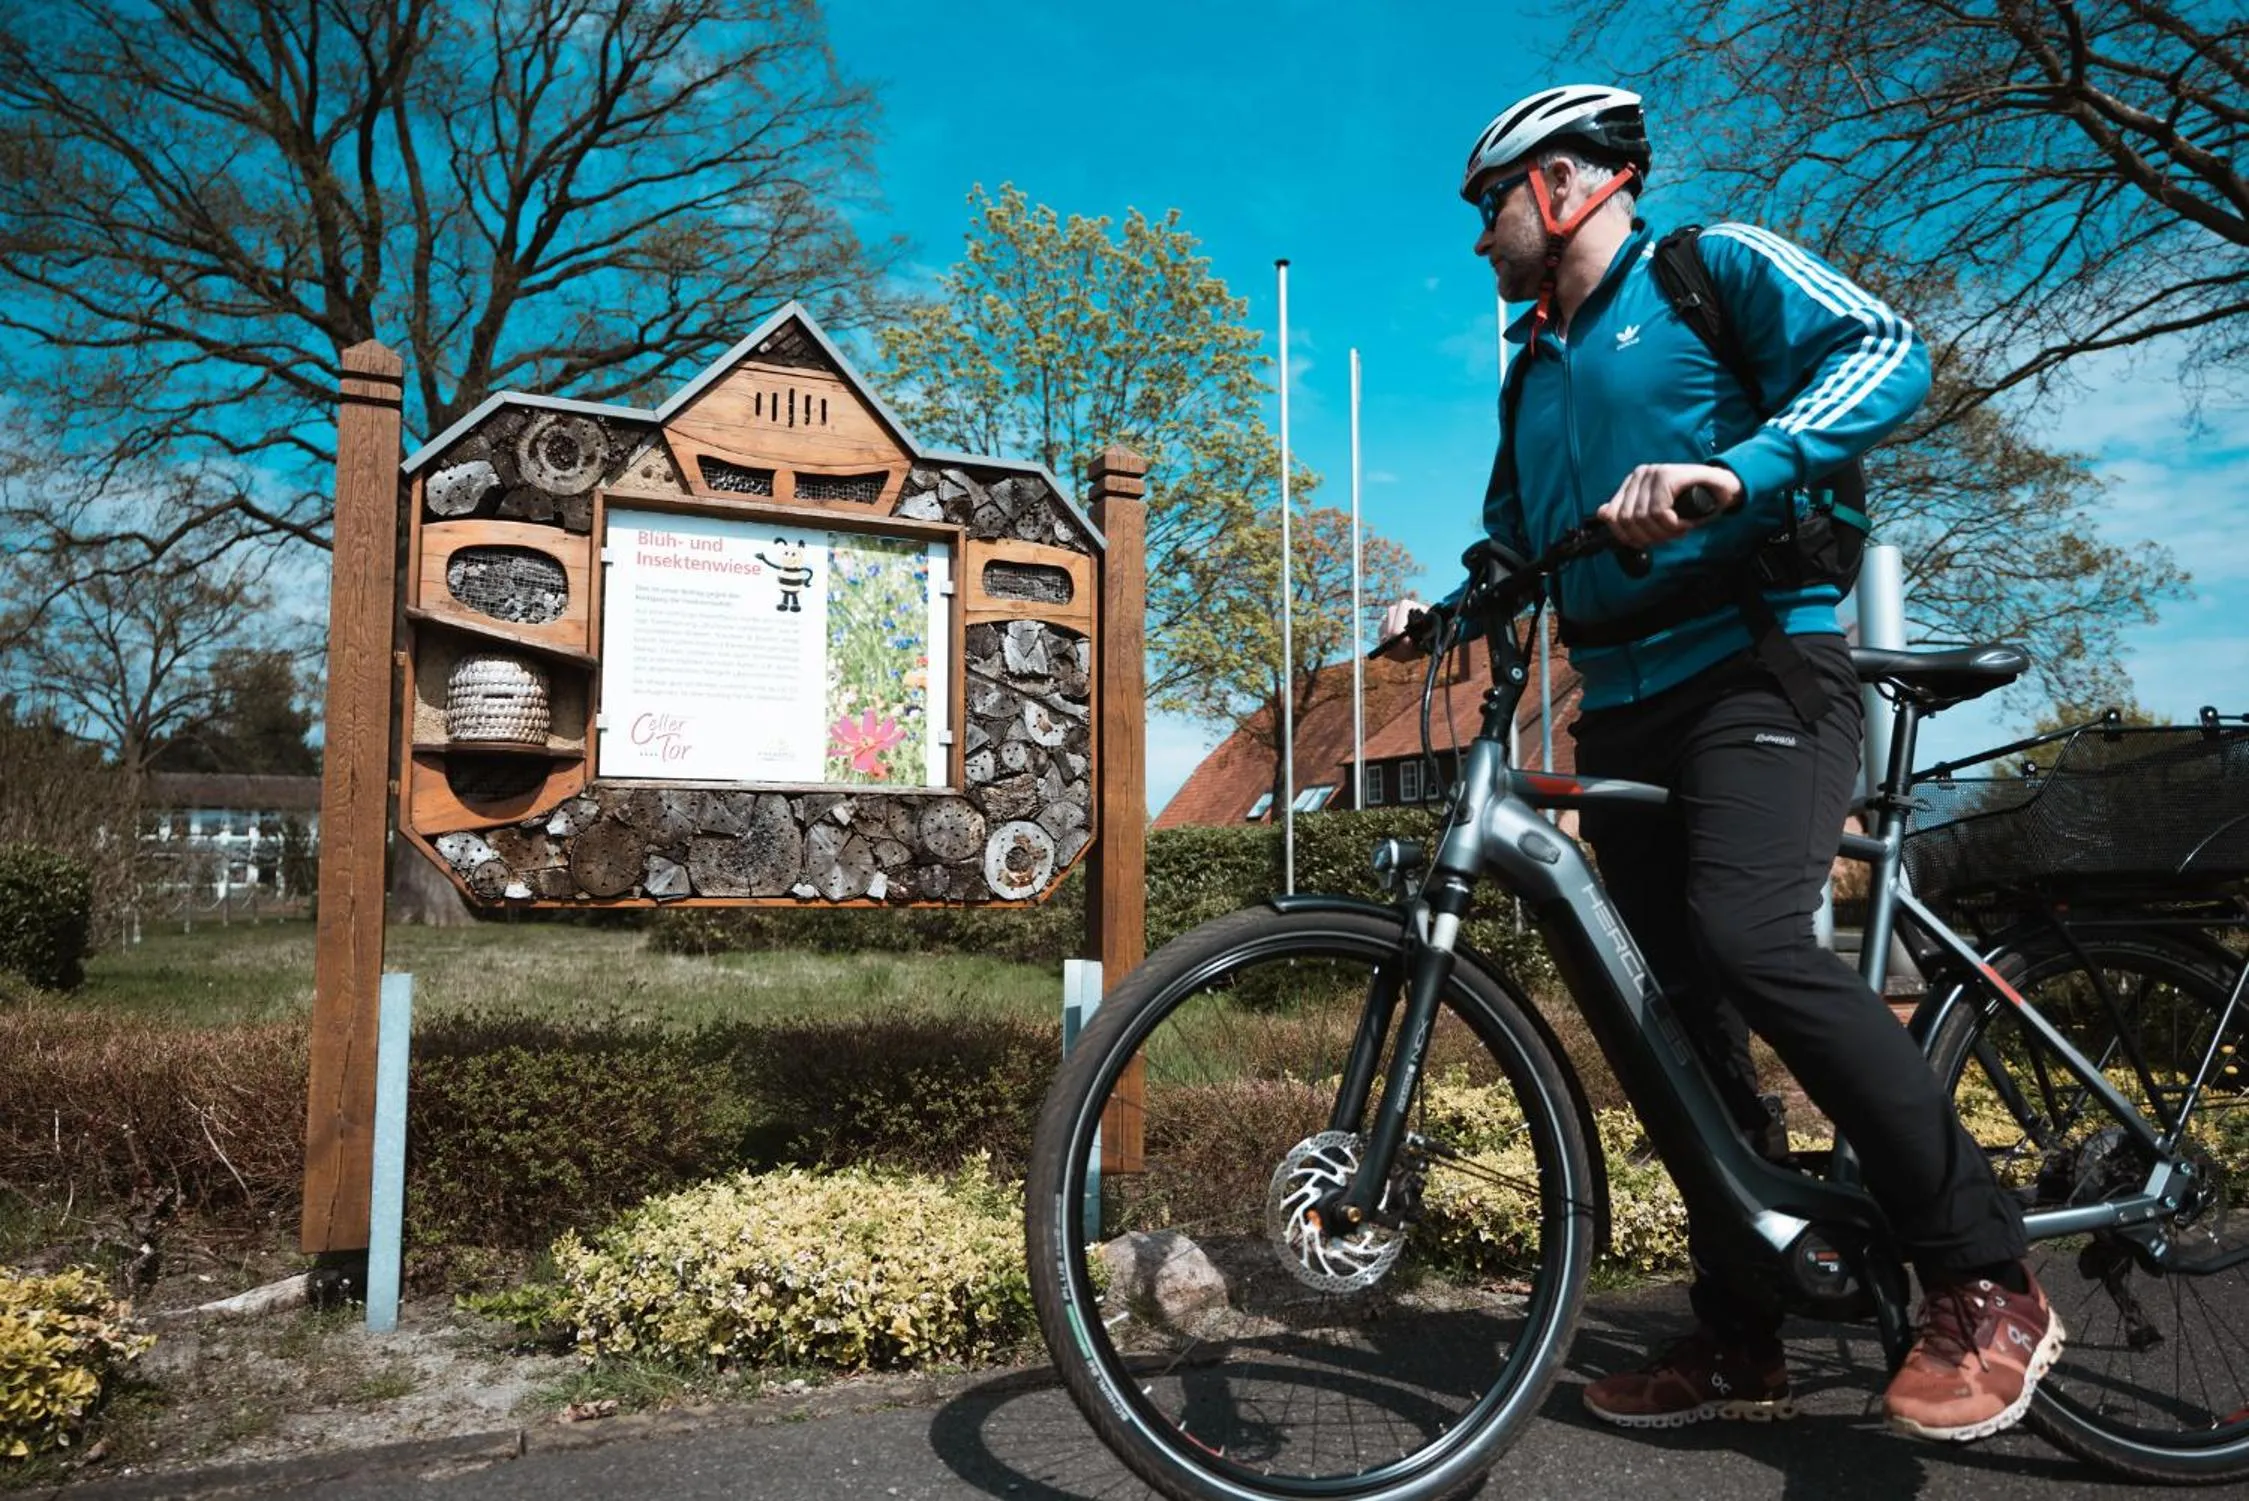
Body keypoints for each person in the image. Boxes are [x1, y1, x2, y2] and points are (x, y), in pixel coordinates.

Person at [1382, 83, 2061, 1442]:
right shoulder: (1537, 367)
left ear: (1567, 182)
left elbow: (1888, 349)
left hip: (1762, 666)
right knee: (1670, 1018)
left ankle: (1987, 1281)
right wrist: (1451, 602)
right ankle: (1744, 1331)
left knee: (1749, 937)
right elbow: (1522, 537)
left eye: (1490, 207)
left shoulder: (1709, 270)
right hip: (1622, 708)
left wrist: (1740, 470)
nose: (1481, 241)